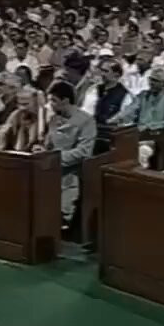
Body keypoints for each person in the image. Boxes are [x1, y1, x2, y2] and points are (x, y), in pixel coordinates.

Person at [39, 81, 97, 228]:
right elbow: (49, 144)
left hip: (72, 171)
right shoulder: (54, 119)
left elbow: (84, 151)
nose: (50, 105)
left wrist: (56, 158)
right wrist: (42, 149)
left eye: (53, 100)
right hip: (49, 167)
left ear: (65, 100)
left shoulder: (86, 121)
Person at [109, 66, 164, 131]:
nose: (151, 83)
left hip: (159, 134)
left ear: (163, 84)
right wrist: (114, 120)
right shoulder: (143, 95)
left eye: (155, 80)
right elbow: (129, 111)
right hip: (140, 133)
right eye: (150, 79)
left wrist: (151, 126)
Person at [80, 59, 133, 124]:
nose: (102, 74)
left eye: (106, 71)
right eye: (101, 70)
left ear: (116, 75)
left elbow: (124, 120)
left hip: (106, 128)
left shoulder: (124, 95)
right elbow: (85, 109)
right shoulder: (94, 89)